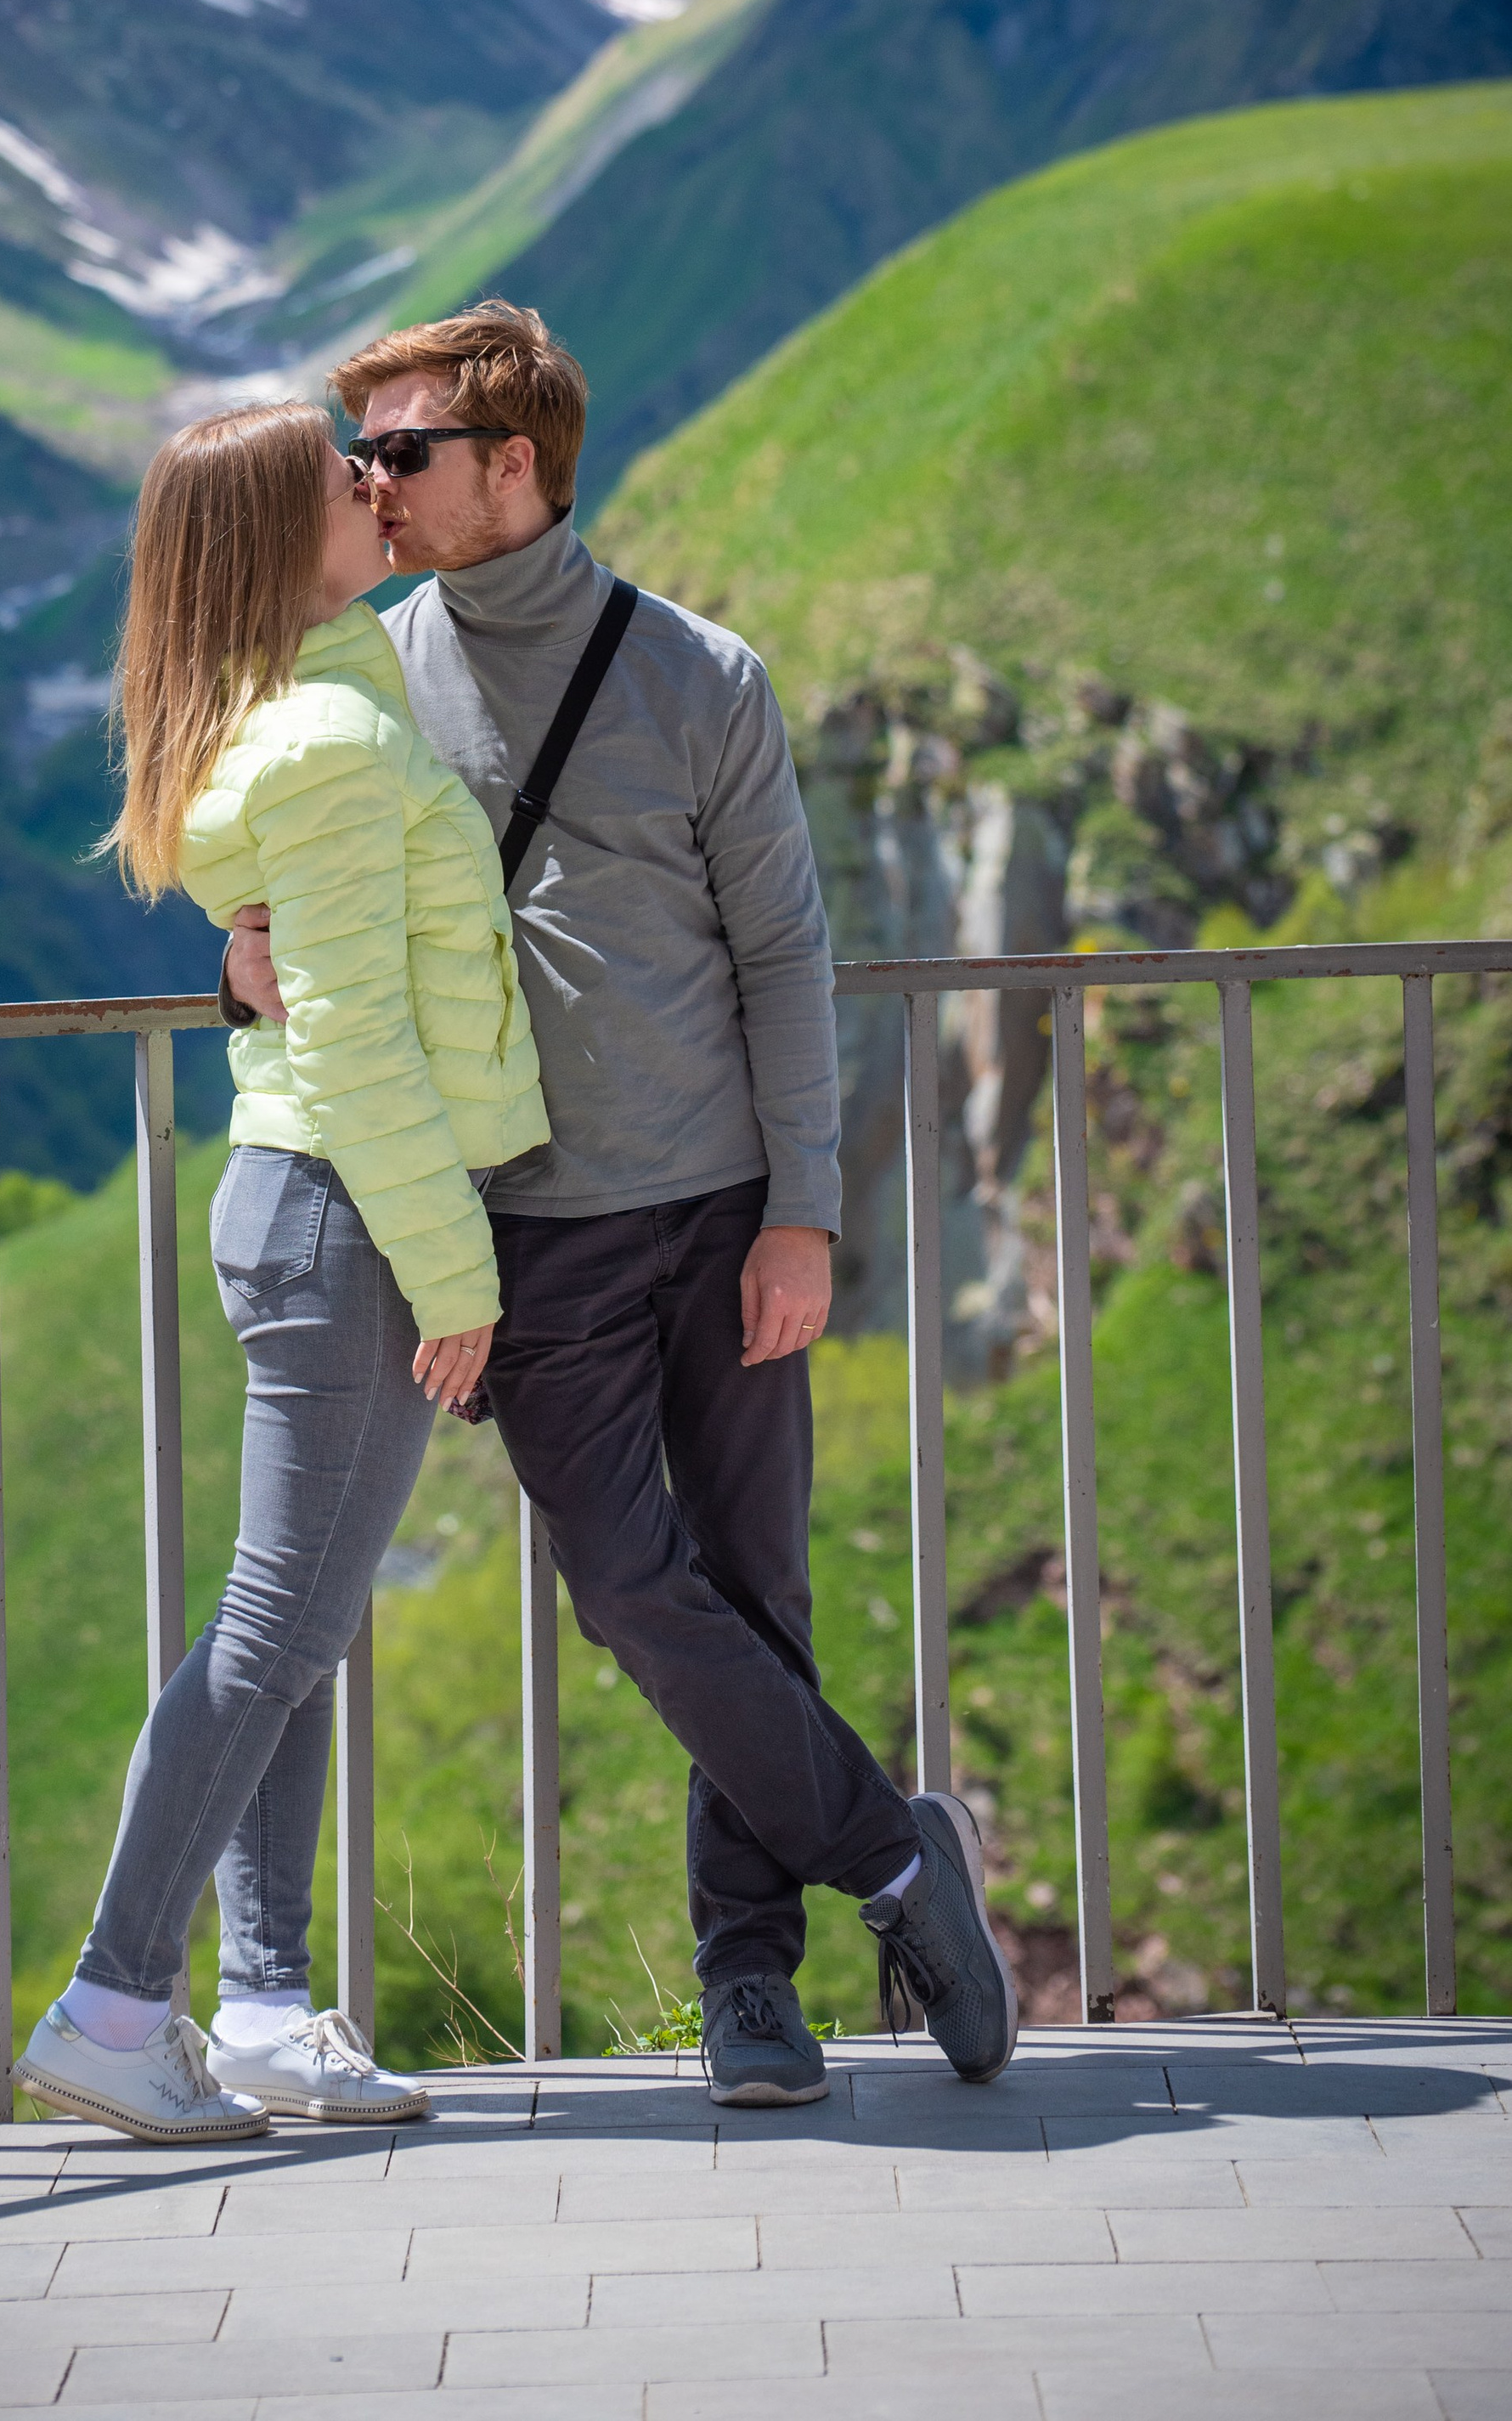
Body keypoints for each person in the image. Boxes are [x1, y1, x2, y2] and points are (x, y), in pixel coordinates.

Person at [223, 304, 1017, 2102]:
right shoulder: (356, 673)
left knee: (750, 1581)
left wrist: (801, 1211)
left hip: (725, 1205)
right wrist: (235, 967)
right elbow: (283, 891)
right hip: (527, 1234)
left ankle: (751, 1981)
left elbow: (786, 959)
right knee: (631, 1590)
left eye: (401, 453)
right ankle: (896, 1857)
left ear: (516, 464)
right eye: (362, 459)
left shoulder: (698, 676)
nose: (371, 485)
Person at [12, 399, 550, 2144]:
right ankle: (110, 2000)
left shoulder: (321, 695)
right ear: (278, 541)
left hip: (325, 1203)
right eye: (348, 479)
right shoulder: (323, 735)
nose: (377, 489)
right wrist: (456, 1270)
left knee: (293, 1634)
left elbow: (301, 954)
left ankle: (252, 2008)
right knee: (274, 1631)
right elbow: (363, 1047)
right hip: (352, 1207)